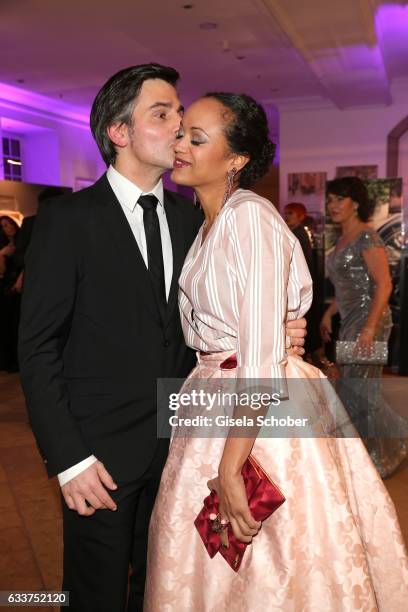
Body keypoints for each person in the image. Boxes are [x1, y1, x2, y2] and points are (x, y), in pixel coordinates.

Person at [18, 64, 306, 612]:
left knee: (167, 589)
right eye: (163, 113)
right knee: (93, 594)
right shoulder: (67, 221)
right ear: (119, 132)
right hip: (98, 458)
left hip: (185, 450)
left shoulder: (195, 217)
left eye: (180, 113)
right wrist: (69, 459)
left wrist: (277, 327)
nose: (178, 124)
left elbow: (219, 315)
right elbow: (36, 349)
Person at [144, 93, 408, 610]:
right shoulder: (208, 227)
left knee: (277, 562)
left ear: (237, 158)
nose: (181, 145)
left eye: (197, 137)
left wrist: (230, 464)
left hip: (260, 406)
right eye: (181, 133)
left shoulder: (250, 217)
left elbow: (262, 353)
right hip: (215, 395)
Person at [321, 177, 407, 478]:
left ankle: (378, 456)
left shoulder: (367, 237)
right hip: (351, 321)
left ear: (355, 202)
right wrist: (329, 313)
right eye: (330, 200)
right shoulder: (342, 238)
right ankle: (380, 447)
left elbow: (384, 285)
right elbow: (350, 286)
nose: (332, 205)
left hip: (371, 322)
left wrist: (369, 329)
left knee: (360, 391)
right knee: (351, 389)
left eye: (339, 199)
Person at [0, 215, 21, 371]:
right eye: (4, 226)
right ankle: (9, 361)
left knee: (17, 324)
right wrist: (1, 255)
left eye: (10, 223)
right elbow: (2, 272)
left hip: (21, 287)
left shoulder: (23, 241)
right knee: (8, 324)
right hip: (6, 288)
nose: (9, 227)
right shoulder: (4, 246)